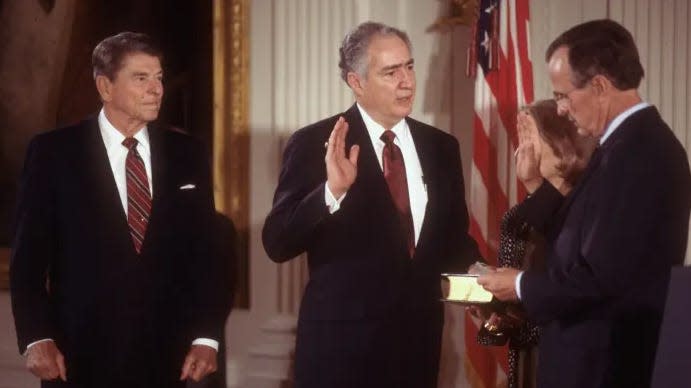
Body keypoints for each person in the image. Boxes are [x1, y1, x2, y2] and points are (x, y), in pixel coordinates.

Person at [262, 21, 481, 388]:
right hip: (339, 358)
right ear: (356, 82)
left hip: (417, 352)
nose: (407, 81)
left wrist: (483, 279)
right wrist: (331, 191)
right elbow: (278, 242)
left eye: (409, 67)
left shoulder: (441, 148)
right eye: (391, 72)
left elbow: (452, 241)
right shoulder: (316, 143)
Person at [477, 20, 691, 388]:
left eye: (563, 95)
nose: (560, 109)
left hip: (604, 365)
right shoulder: (623, 145)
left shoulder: (641, 153)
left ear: (599, 87)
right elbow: (578, 240)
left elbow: (603, 278)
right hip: (589, 358)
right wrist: (534, 184)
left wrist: (522, 285)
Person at [10, 32, 229, 388]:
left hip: (169, 359)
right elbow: (28, 262)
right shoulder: (54, 154)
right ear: (105, 87)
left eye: (159, 77)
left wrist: (207, 337)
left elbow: (209, 257)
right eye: (140, 78)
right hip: (77, 358)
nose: (156, 89)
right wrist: (36, 338)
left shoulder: (187, 153)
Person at [474, 99, 596, 388]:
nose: (523, 146)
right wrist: (492, 312)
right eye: (522, 137)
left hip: (567, 355)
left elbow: (568, 283)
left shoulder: (586, 205)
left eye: (533, 135)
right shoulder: (518, 217)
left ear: (561, 143)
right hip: (526, 361)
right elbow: (514, 307)